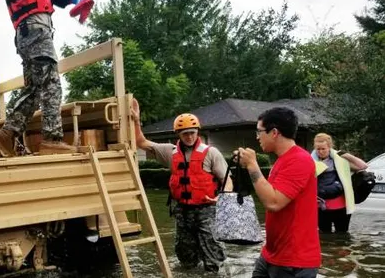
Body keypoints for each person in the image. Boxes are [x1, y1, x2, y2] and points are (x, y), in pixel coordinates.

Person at [0, 0, 76, 156]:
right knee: (51, 84)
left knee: (34, 89)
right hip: (35, 33)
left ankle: (7, 133)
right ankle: (52, 140)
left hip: (27, 34)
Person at [131, 98, 231, 272]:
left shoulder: (211, 153)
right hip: (182, 211)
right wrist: (136, 120)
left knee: (212, 251)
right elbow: (141, 142)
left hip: (207, 209)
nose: (189, 137)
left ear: (197, 132)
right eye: (185, 133)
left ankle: (217, 274)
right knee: (184, 254)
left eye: (192, 132)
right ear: (178, 134)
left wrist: (222, 197)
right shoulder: (170, 152)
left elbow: (228, 179)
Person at [237, 107, 321, 278]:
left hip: (294, 260)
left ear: (274, 132)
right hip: (272, 253)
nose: (257, 136)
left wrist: (253, 165)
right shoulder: (283, 159)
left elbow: (273, 202)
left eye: (259, 131)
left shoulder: (300, 160)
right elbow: (268, 193)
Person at [312, 133, 368, 234]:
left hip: (340, 206)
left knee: (342, 235)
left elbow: (363, 166)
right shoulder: (310, 161)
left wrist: (347, 155)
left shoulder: (340, 160)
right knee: (324, 236)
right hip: (320, 206)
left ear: (329, 147)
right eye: (318, 149)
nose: (320, 152)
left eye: (323, 149)